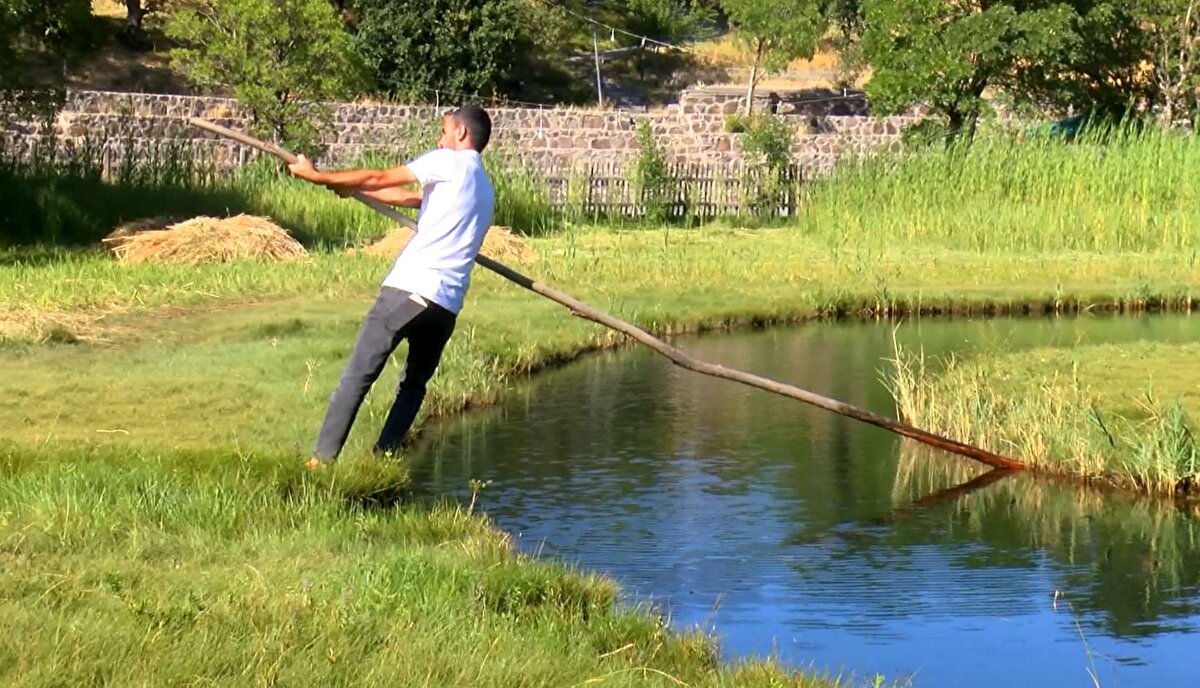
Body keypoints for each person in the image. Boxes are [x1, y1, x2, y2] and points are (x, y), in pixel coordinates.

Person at [286, 104, 495, 469]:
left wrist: (317, 177)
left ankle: (321, 461)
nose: (439, 138)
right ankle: (384, 458)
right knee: (413, 386)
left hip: (409, 290)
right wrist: (350, 187)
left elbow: (382, 176)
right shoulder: (484, 189)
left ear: (461, 133)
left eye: (444, 130)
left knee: (358, 375)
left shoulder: (449, 162)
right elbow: (409, 198)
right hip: (446, 308)